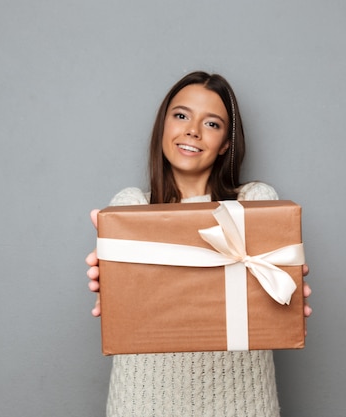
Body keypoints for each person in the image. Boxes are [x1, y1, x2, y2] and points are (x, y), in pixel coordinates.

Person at [85, 71, 312, 417]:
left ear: (225, 144)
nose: (192, 130)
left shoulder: (253, 201)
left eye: (212, 123)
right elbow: (122, 307)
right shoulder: (131, 207)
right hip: (143, 401)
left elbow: (273, 299)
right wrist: (106, 283)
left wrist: (285, 286)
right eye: (180, 116)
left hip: (240, 402)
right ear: (164, 127)